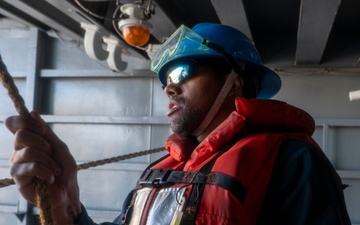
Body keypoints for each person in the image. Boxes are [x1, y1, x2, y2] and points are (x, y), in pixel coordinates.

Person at [6, 23, 351, 225]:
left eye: (182, 72)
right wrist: (66, 204)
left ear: (235, 81)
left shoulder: (293, 163)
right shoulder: (162, 170)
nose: (169, 86)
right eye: (166, 77)